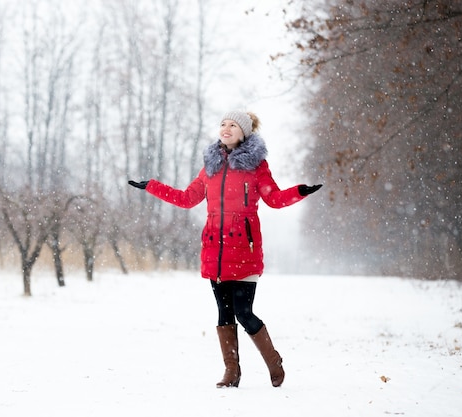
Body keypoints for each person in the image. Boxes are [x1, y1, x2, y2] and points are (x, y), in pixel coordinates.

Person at [128, 110, 322, 388]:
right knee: (224, 313)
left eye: (233, 125)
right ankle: (232, 372)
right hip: (215, 251)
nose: (226, 128)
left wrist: (298, 191)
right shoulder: (210, 166)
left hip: (244, 249)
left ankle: (273, 360)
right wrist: (152, 187)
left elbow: (274, 199)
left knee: (244, 312)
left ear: (244, 132)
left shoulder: (256, 165)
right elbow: (186, 199)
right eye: (223, 124)